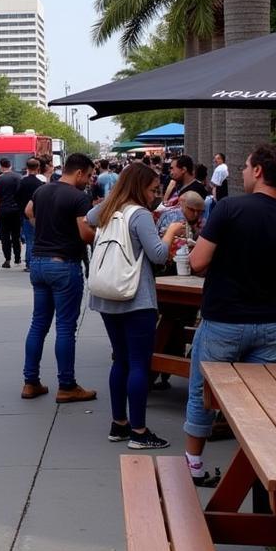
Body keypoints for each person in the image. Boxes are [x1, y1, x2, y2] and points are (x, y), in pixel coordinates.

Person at [183, 144, 276, 486]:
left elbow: (197, 263)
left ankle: (193, 464)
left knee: (202, 393)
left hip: (223, 319)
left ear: (258, 171)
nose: (240, 172)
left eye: (246, 165)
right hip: (267, 324)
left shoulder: (229, 209)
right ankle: (256, 470)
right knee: (259, 401)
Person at [86, 164, 184, 449]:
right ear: (139, 186)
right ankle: (139, 432)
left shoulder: (106, 210)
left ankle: (119, 424)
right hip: (135, 298)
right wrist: (171, 231)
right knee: (140, 364)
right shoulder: (140, 215)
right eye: (153, 189)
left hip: (106, 295)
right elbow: (158, 255)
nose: (155, 195)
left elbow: (90, 217)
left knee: (121, 360)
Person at [21, 152, 97, 403]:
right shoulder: (79, 197)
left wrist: (44, 228)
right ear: (78, 173)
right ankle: (67, 385)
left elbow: (28, 211)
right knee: (65, 326)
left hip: (39, 263)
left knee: (38, 324)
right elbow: (85, 235)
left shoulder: (42, 191)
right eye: (88, 175)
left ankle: (30, 382)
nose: (88, 180)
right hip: (64, 264)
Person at [16, 158, 44, 272]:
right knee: (38, 239)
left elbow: (16, 197)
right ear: (38, 168)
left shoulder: (22, 182)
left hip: (26, 214)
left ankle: (29, 263)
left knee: (29, 240)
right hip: (38, 214)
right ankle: (37, 261)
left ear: (27, 168)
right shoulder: (40, 183)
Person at [0, 157, 22, 269]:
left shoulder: (0, 179)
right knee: (16, 235)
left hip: (4, 210)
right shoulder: (19, 177)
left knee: (5, 236)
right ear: (10, 165)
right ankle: (18, 257)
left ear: (1, 166)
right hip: (16, 210)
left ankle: (7, 259)